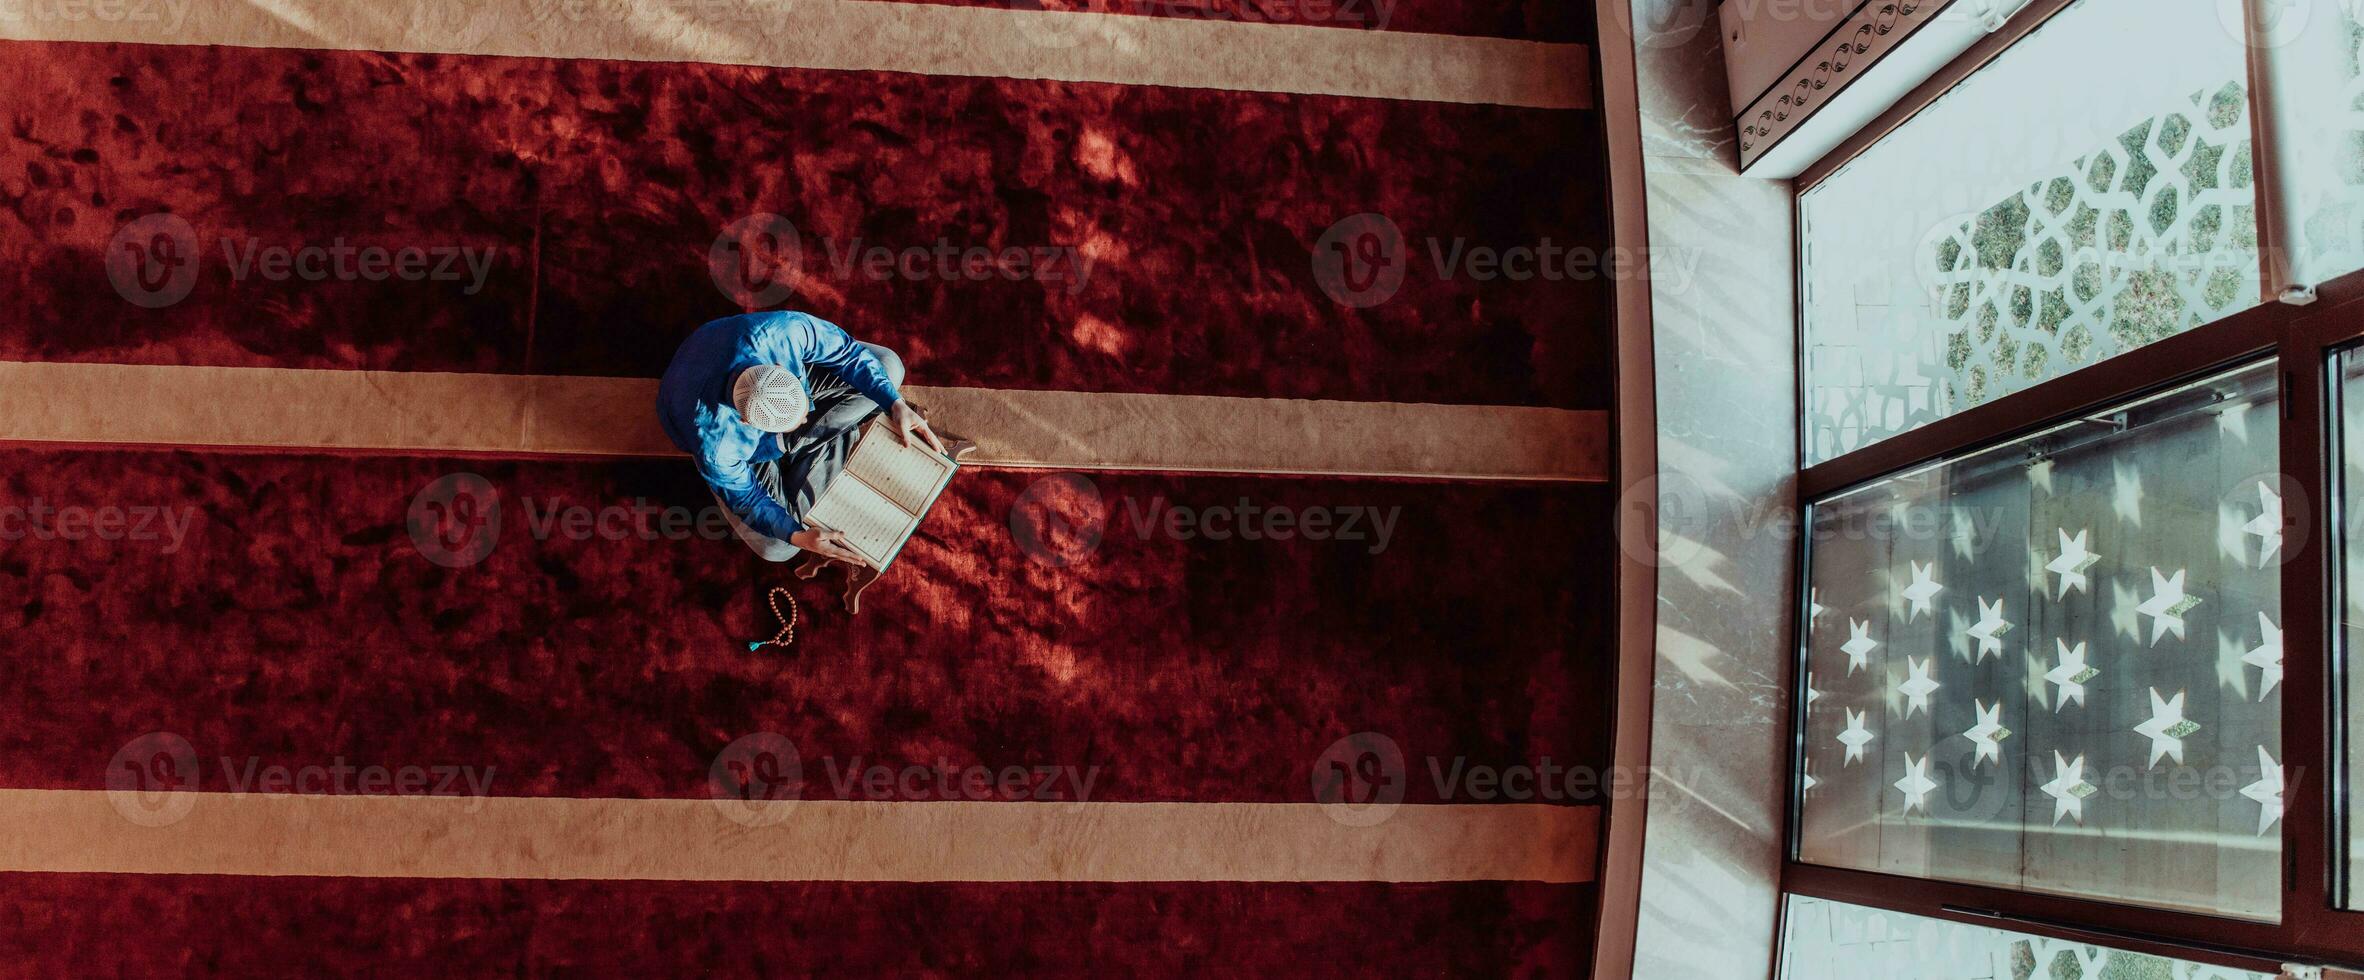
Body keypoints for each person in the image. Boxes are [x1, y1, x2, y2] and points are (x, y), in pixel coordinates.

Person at [657, 310, 946, 566]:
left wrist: (895, 404)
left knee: (889, 367)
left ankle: (819, 446)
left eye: (803, 410)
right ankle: (825, 441)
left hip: (742, 371)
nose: (806, 418)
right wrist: (797, 537)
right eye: (794, 423)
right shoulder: (717, 447)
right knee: (779, 548)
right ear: (747, 421)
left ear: (782, 368)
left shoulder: (782, 332)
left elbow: (846, 353)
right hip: (737, 443)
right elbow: (746, 497)